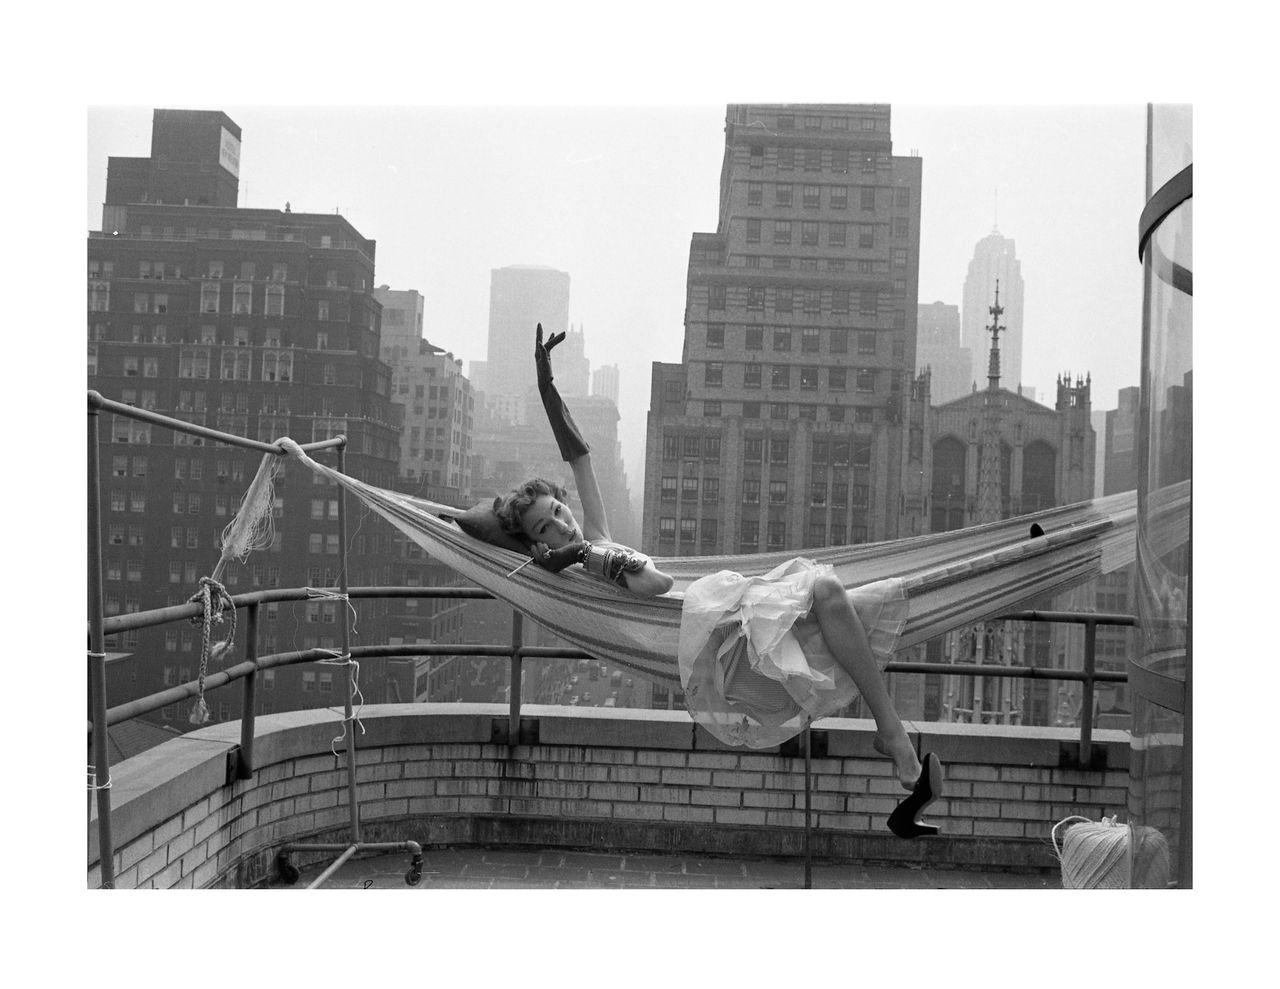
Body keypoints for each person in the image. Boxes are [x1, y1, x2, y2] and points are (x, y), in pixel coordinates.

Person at [497, 325, 942, 839]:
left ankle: (897, 751)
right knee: (831, 594)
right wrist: (573, 553)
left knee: (845, 596)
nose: (560, 525)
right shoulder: (581, 559)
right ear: (534, 543)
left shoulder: (593, 539)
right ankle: (892, 737)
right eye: (543, 528)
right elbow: (655, 584)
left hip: (725, 618)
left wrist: (546, 385)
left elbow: (580, 458)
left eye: (557, 511)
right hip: (719, 646)